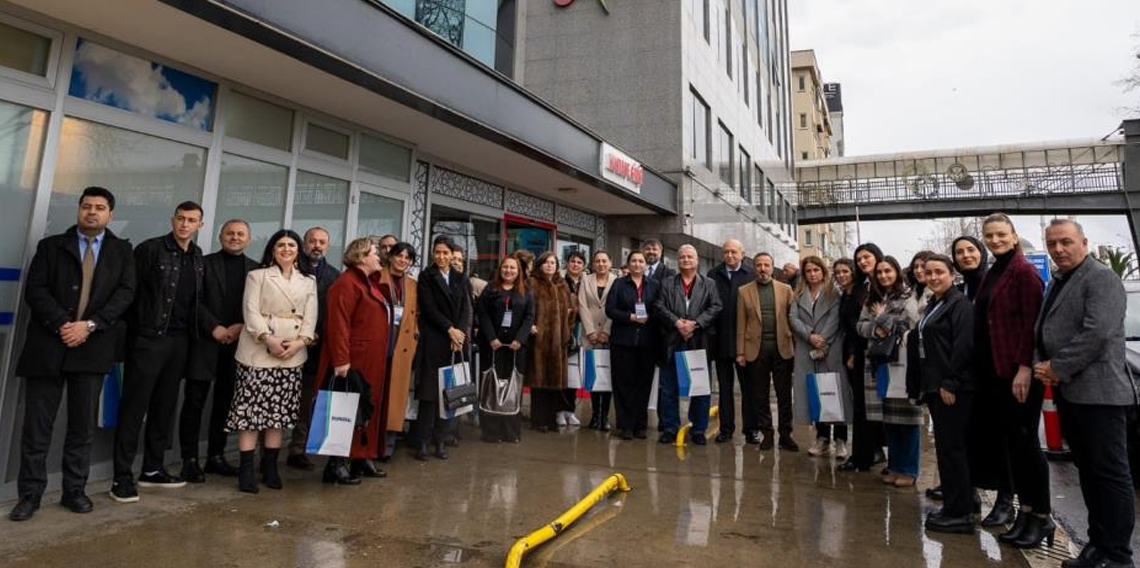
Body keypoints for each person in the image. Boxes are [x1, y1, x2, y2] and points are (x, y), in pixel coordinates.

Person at [9, 187, 135, 522]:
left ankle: (74, 491)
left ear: (110, 213)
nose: (92, 212)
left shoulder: (122, 251)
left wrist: (90, 325)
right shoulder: (51, 247)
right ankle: (29, 495)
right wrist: (64, 324)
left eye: (100, 208)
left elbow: (125, 294)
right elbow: (35, 290)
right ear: (78, 210)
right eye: (86, 206)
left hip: (92, 349)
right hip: (48, 347)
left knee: (81, 427)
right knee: (37, 428)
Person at [1035, 219, 1135, 568]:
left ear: (1084, 242)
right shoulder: (1060, 281)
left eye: (1065, 242)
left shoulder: (1101, 277)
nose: (1058, 249)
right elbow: (1046, 327)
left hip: (1100, 393)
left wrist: (1056, 367)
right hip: (1073, 393)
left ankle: (1118, 556)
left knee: (1109, 475)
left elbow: (1099, 333)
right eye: (1052, 244)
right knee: (1090, 474)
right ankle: (1097, 547)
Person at [111, 202, 206, 503]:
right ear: (172, 220)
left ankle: (152, 469)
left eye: (191, 220)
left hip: (180, 342)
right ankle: (121, 477)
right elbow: (129, 294)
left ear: (199, 225)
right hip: (150, 339)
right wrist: (133, 337)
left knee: (164, 407)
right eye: (181, 218)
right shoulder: (150, 249)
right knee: (134, 408)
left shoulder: (198, 257)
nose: (185, 224)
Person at [973, 213, 1051, 547]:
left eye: (1001, 234)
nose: (995, 240)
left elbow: (1031, 325)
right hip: (996, 373)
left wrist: (1023, 367)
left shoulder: (1023, 271)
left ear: (1014, 235)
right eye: (989, 235)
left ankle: (1042, 516)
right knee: (1014, 447)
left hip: (1016, 373)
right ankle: (1026, 512)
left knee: (1027, 446)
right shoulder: (996, 269)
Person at [228, 230, 318, 493]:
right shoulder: (257, 275)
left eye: (291, 245)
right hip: (258, 351)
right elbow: (250, 310)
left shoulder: (308, 281)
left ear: (298, 250)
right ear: (272, 249)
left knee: (277, 416)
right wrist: (269, 339)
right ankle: (246, 470)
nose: (287, 249)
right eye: (281, 244)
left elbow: (311, 316)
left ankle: (270, 467)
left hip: (292, 354)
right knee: (251, 415)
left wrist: (301, 341)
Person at [179, 219, 258, 483]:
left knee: (225, 403)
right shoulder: (202, 263)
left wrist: (238, 327)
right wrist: (214, 327)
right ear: (220, 236)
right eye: (230, 233)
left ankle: (216, 456)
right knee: (194, 402)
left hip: (238, 344)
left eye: (240, 234)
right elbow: (193, 299)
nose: (234, 237)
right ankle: (189, 460)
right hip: (205, 341)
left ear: (248, 239)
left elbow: (256, 308)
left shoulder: (256, 270)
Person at [316, 238, 391, 483]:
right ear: (361, 257)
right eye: (374, 252)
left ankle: (361, 456)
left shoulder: (369, 282)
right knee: (346, 409)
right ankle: (336, 464)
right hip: (354, 360)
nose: (379, 256)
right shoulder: (346, 283)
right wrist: (340, 360)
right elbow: (337, 325)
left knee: (366, 408)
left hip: (371, 359)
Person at [913, 255, 977, 534]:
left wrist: (951, 382)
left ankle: (960, 513)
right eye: (929, 273)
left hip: (953, 388)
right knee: (947, 448)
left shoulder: (959, 304)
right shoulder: (936, 303)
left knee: (954, 450)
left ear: (952, 274)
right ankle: (954, 504)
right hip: (935, 386)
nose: (934, 277)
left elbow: (964, 345)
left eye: (939, 272)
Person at [858, 255, 921, 488]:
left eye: (888, 271)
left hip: (900, 362)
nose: (884, 276)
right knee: (889, 420)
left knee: (907, 419)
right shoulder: (871, 298)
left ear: (896, 272)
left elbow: (912, 325)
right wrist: (878, 328)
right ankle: (895, 466)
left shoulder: (907, 296)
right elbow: (860, 326)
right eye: (880, 272)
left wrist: (882, 318)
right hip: (877, 363)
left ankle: (909, 469)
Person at [655, 245, 722, 445]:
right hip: (672, 341)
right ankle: (669, 427)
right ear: (678, 260)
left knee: (700, 388)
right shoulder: (667, 283)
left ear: (697, 260)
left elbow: (716, 306)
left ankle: (698, 429)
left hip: (699, 341)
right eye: (682, 256)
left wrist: (696, 323)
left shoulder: (709, 283)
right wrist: (677, 323)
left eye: (690, 256)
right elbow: (658, 306)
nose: (686, 260)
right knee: (669, 388)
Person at [287, 227, 341, 471]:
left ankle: (298, 448)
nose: (316, 246)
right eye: (312, 241)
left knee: (307, 399)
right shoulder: (291, 270)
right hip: (286, 343)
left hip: (317, 348)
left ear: (328, 246)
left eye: (322, 241)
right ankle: (267, 450)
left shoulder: (335, 276)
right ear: (304, 244)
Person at [413, 236, 472, 460]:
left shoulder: (460, 277)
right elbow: (428, 308)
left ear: (451, 254)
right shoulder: (426, 276)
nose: (441, 257)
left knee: (450, 395)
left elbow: (466, 307)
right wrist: (449, 329)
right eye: (437, 252)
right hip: (434, 340)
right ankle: (422, 442)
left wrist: (459, 335)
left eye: (445, 253)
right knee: (429, 396)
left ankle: (441, 441)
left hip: (455, 344)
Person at [789, 256, 850, 458]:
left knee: (835, 392)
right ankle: (822, 438)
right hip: (807, 349)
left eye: (816, 270)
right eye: (808, 271)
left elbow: (835, 320)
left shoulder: (834, 293)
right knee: (815, 393)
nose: (813, 273)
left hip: (831, 350)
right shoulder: (798, 294)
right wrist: (810, 336)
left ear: (823, 271)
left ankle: (841, 440)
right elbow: (793, 318)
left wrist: (823, 340)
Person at [736, 253, 796, 449]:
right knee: (760, 395)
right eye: (759, 265)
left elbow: (792, 319)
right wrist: (740, 352)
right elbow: (741, 324)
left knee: (784, 395)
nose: (763, 268)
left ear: (772, 267)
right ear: (754, 268)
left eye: (767, 265)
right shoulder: (744, 291)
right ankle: (767, 434)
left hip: (782, 349)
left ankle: (786, 434)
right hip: (756, 350)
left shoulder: (786, 289)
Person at [838, 243, 887, 473]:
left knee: (868, 406)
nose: (863, 262)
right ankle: (868, 452)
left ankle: (863, 455)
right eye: (859, 259)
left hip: (871, 354)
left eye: (867, 257)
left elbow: (876, 324)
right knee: (863, 406)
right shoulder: (859, 286)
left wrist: (856, 354)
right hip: (854, 351)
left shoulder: (881, 285)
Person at [476, 256, 535, 443]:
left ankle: (510, 432)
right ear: (500, 269)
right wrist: (491, 337)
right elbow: (482, 313)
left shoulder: (526, 291)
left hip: (516, 349)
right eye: (505, 267)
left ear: (519, 271)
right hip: (493, 347)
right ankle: (491, 433)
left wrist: (520, 339)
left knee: (513, 389)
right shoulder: (490, 289)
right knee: (491, 388)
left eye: (513, 268)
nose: (508, 270)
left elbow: (529, 316)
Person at [706, 239, 757, 444]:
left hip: (745, 342)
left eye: (734, 252)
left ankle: (751, 429)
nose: (730, 255)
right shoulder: (712, 275)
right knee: (724, 389)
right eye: (726, 252)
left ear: (742, 254)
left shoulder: (751, 275)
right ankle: (726, 429)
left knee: (748, 388)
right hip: (721, 341)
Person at [606, 251, 659, 440]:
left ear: (645, 265)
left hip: (647, 342)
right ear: (628, 264)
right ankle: (625, 425)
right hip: (623, 341)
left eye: (641, 261)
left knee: (643, 384)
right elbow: (610, 309)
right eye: (634, 261)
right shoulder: (619, 284)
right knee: (623, 383)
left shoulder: (654, 285)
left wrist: (648, 318)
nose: (637, 264)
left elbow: (659, 309)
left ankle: (640, 424)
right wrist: (631, 317)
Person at [377, 242, 418, 461]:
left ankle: (388, 443)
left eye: (407, 258)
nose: (403, 260)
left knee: (396, 395)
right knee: (378, 392)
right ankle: (371, 441)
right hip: (381, 339)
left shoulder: (412, 284)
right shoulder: (377, 277)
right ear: (390, 256)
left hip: (402, 343)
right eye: (399, 256)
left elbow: (415, 315)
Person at [527, 252, 574, 432]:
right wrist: (531, 325)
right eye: (546, 262)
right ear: (539, 265)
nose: (549, 265)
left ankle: (551, 419)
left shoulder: (562, 285)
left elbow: (571, 310)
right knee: (539, 383)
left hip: (559, 342)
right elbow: (526, 307)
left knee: (554, 383)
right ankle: (538, 420)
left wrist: (567, 330)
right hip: (539, 342)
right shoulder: (532, 283)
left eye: (553, 262)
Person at [579, 250, 615, 430]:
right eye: (597, 261)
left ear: (610, 262)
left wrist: (606, 331)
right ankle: (594, 414)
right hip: (590, 335)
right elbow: (583, 306)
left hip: (609, 336)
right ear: (593, 264)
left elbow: (616, 306)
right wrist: (591, 331)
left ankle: (605, 416)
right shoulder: (586, 280)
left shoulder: (617, 281)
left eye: (604, 261)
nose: (601, 264)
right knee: (594, 376)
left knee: (606, 377)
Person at [831, 258, 858, 460]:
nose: (841, 275)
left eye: (845, 271)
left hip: (855, 352)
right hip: (844, 350)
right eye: (838, 272)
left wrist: (853, 354)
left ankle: (864, 449)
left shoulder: (859, 294)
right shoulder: (843, 295)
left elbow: (858, 327)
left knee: (859, 402)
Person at [560, 250, 588, 427]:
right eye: (572, 261)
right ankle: (559, 410)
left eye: (579, 262)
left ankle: (570, 411)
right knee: (562, 374)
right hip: (563, 331)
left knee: (574, 375)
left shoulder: (586, 283)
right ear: (567, 263)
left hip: (581, 331)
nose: (575, 264)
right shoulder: (560, 282)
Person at [952, 236, 989, 300]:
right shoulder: (954, 293)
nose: (966, 255)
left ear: (981, 253)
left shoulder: (1000, 284)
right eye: (959, 252)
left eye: (971, 250)